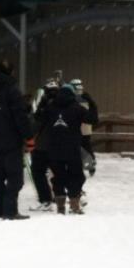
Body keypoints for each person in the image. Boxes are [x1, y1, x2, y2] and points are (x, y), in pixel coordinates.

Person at [0, 60, 33, 220]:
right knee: (15, 178)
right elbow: (20, 117)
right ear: (10, 72)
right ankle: (10, 211)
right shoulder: (12, 90)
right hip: (12, 142)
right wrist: (28, 137)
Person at [42, 83, 98, 214]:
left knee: (58, 177)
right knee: (76, 176)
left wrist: (43, 103)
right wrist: (91, 102)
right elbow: (93, 120)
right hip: (72, 149)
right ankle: (74, 204)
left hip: (54, 149)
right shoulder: (77, 108)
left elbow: (39, 119)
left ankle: (61, 207)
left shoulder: (50, 107)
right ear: (73, 94)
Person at [28, 78, 60, 211]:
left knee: (38, 172)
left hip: (43, 146)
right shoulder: (67, 105)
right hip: (61, 145)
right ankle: (73, 196)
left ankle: (46, 199)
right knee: (61, 172)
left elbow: (36, 125)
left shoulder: (44, 107)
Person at [69, 78, 98, 177]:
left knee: (81, 146)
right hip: (86, 126)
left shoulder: (74, 98)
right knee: (86, 146)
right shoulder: (86, 97)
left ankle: (88, 164)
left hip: (79, 126)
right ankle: (90, 164)